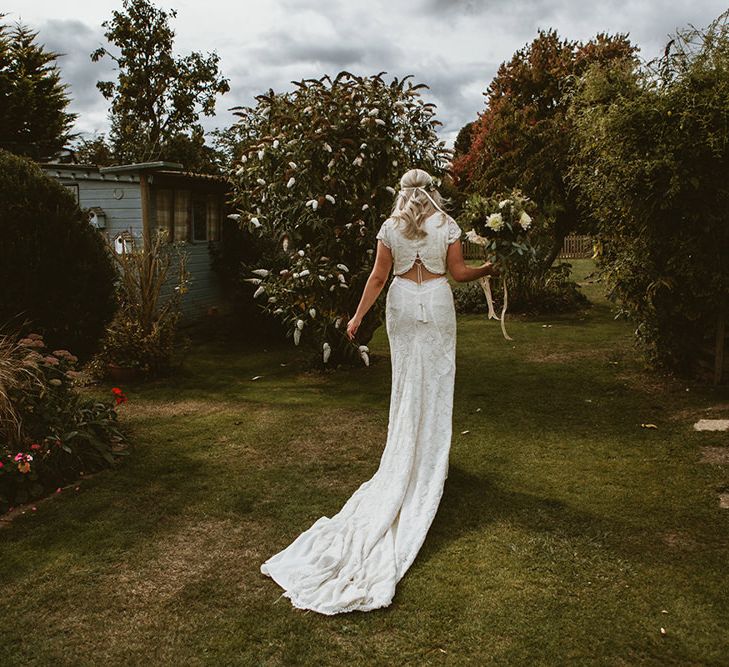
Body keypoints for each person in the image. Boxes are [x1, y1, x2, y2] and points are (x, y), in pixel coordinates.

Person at [259, 168, 499, 615]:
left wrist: (356, 318)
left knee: (407, 381)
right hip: (437, 304)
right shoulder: (446, 225)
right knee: (437, 380)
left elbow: (376, 278)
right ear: (432, 192)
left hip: (404, 305)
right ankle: (427, 461)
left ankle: (411, 458)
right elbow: (459, 272)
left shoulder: (391, 228)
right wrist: (488, 268)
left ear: (403, 193)